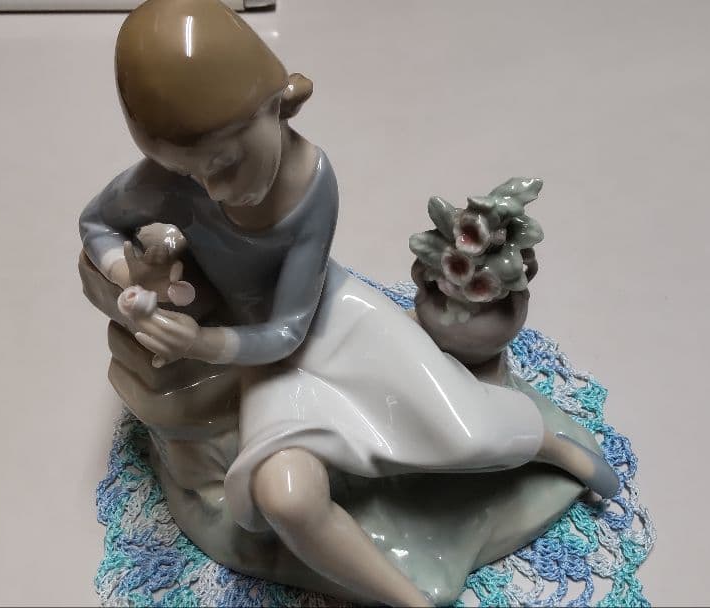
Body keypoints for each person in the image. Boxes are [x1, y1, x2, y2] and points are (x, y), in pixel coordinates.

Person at [80, 1, 619, 604]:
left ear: (280, 103)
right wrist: (129, 278)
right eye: (186, 172)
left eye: (226, 162)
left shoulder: (311, 181)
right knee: (287, 497)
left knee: (462, 428)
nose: (212, 188)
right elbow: (97, 222)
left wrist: (201, 341)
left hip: (328, 321)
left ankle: (550, 445)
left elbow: (289, 328)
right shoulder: (166, 181)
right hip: (260, 367)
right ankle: (408, 599)